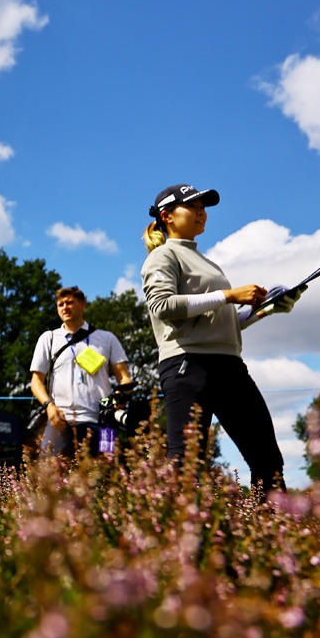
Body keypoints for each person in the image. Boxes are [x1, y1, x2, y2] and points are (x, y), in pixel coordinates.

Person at [141, 183, 295, 495]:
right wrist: (228, 295)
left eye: (204, 206)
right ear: (167, 216)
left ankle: (270, 538)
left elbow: (218, 321)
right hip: (188, 366)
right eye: (192, 206)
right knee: (186, 466)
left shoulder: (206, 262)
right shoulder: (162, 257)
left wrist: (264, 311)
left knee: (267, 459)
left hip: (229, 367)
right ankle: (170, 540)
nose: (201, 212)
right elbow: (162, 306)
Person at [29, 286, 133, 459]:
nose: (64, 307)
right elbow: (35, 381)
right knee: (52, 479)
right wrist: (49, 407)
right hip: (60, 422)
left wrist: (122, 396)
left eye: (69, 302)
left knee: (107, 476)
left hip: (103, 423)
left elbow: (124, 378)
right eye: (60, 304)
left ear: (82, 304)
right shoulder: (49, 338)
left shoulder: (107, 338)